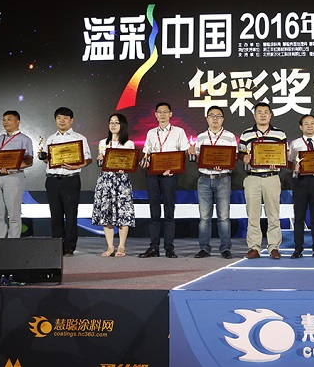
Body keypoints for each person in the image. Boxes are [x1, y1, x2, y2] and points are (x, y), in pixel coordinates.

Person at [139, 102, 189, 259]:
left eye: (165, 112)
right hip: (153, 175)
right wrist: (145, 161)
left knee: (169, 212)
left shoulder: (179, 132)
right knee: (154, 212)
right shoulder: (151, 133)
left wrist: (173, 169)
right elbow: (147, 153)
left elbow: (183, 154)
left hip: (170, 175)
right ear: (155, 115)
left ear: (170, 114)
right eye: (159, 112)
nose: (162, 114)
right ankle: (154, 247)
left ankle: (169, 247)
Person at [41, 107, 92, 257]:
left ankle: (69, 246)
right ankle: (57, 246)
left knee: (70, 214)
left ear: (71, 120)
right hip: (52, 180)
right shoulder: (51, 139)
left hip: (70, 180)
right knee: (55, 215)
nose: (62, 121)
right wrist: (43, 157)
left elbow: (88, 159)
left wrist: (77, 166)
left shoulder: (79, 138)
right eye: (59, 118)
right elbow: (48, 161)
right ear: (55, 120)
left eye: (65, 118)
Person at [239, 103, 287, 259]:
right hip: (252, 177)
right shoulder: (246, 134)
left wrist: (278, 162)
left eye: (266, 112)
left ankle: (274, 247)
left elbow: (284, 154)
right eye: (259, 112)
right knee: (253, 215)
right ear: (254, 115)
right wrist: (244, 158)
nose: (263, 115)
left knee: (273, 215)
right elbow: (240, 153)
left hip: (271, 177)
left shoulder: (279, 134)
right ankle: (254, 247)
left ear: (270, 115)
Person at [0, 110, 34, 255]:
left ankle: (12, 247)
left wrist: (11, 167)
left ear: (18, 122)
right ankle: (0, 246)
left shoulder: (24, 139)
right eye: (4, 119)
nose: (6, 122)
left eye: (9, 119)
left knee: (13, 215)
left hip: (13, 177)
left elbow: (29, 161)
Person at [191, 106, 237, 259]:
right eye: (212, 115)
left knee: (223, 217)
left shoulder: (230, 136)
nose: (215, 118)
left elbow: (234, 158)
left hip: (223, 179)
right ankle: (204, 248)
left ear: (223, 119)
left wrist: (223, 164)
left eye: (218, 116)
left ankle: (225, 248)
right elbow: (198, 159)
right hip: (204, 179)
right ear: (207, 118)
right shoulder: (201, 137)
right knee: (205, 218)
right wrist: (194, 155)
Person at [92, 113, 135, 257]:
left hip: (121, 181)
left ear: (123, 125)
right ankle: (110, 247)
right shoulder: (103, 143)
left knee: (123, 214)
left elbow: (130, 162)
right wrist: (100, 159)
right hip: (105, 180)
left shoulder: (128, 143)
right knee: (106, 214)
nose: (113, 125)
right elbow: (101, 162)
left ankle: (121, 247)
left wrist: (124, 167)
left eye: (116, 122)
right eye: (111, 122)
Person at [288, 114, 314, 259]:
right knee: (299, 218)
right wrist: (294, 167)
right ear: (301, 127)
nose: (309, 126)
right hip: (300, 182)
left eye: (312, 123)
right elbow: (289, 162)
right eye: (306, 123)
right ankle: (298, 249)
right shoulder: (294, 144)